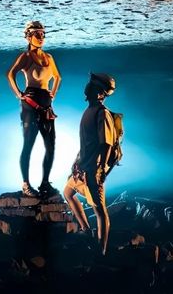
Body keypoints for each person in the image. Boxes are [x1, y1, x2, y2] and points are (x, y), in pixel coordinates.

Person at [64, 72, 121, 255]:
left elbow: (106, 143)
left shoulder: (102, 113)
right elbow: (86, 143)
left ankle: (101, 250)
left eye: (94, 87)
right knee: (68, 192)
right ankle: (87, 231)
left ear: (102, 93)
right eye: (90, 85)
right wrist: (76, 161)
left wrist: (102, 168)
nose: (89, 88)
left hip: (93, 169)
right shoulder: (89, 111)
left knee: (100, 211)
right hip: (82, 167)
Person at [6, 20, 61, 197]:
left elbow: (57, 77)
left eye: (43, 34)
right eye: (37, 34)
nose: (41, 37)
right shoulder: (26, 57)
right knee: (28, 144)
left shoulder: (49, 58)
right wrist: (19, 94)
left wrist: (52, 94)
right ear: (29, 36)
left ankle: (45, 183)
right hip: (30, 102)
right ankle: (26, 184)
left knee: (50, 145)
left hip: (45, 101)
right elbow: (10, 74)